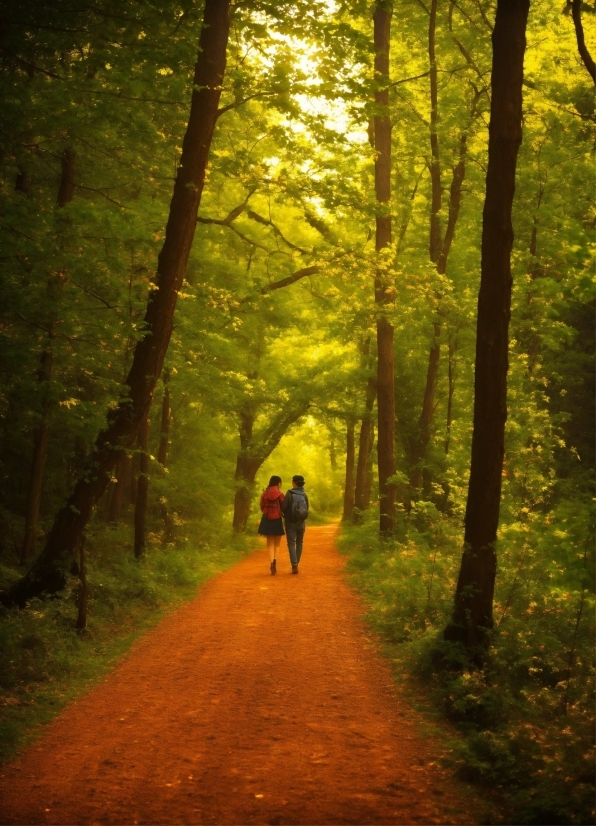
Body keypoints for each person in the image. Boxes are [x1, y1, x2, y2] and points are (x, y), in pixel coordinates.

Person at [281, 475, 309, 574]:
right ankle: (297, 562)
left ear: (294, 482)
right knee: (300, 543)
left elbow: (284, 508)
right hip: (301, 522)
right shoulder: (304, 494)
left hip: (290, 522)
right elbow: (306, 509)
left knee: (291, 543)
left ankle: (294, 564)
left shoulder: (289, 493)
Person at [258, 475, 285, 575]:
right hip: (277, 518)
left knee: (270, 543)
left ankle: (271, 562)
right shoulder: (280, 493)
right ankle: (275, 562)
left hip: (267, 518)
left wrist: (266, 512)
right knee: (277, 543)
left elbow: (261, 505)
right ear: (278, 483)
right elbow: (284, 505)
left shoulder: (265, 493)